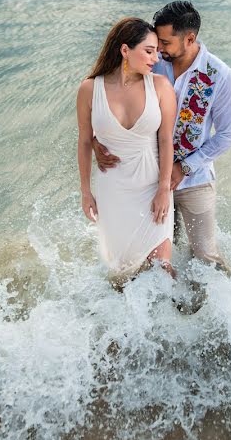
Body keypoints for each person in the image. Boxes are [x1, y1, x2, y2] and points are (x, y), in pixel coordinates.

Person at [94, 1, 231, 274]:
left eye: (165, 42)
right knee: (147, 257)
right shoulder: (151, 64)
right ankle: (157, 311)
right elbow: (109, 97)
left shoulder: (219, 75)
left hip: (194, 179)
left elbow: (228, 134)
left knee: (206, 257)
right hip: (147, 178)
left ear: (190, 38)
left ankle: (221, 312)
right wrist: (96, 141)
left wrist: (184, 166)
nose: (158, 49)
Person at [76, 17, 179, 287]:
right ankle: (127, 328)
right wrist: (86, 191)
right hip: (113, 188)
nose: (156, 58)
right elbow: (85, 140)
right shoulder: (89, 89)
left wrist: (163, 189)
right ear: (125, 50)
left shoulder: (160, 87)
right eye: (149, 51)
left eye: (157, 51)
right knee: (122, 274)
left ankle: (182, 318)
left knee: (161, 267)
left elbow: (167, 140)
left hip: (151, 184)